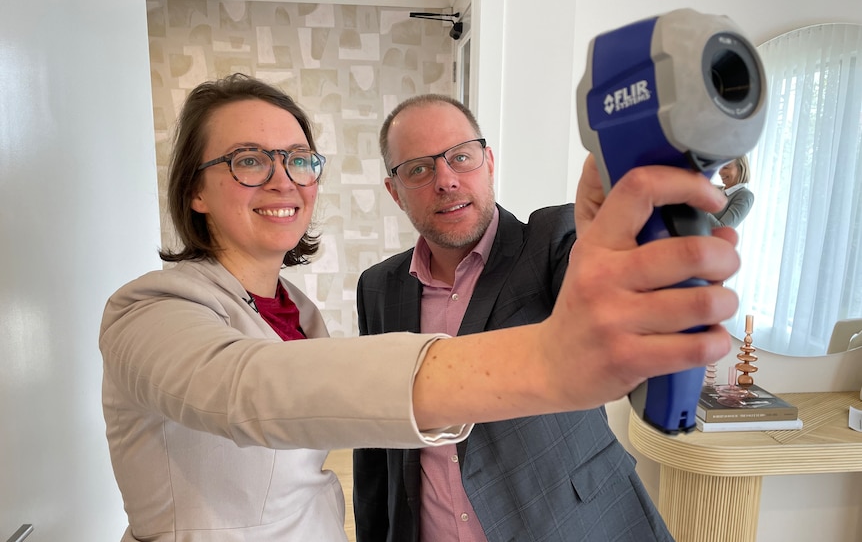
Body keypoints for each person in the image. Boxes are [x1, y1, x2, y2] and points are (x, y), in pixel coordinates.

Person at [99, 73, 740, 541]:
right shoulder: (150, 311)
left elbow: (588, 275)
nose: (282, 178)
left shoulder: (550, 238)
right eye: (248, 160)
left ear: (488, 162)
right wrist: (547, 361)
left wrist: (646, 262)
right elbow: (254, 391)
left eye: (298, 160)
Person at [352, 94, 674, 542]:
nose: (445, 180)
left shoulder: (549, 241)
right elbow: (374, 438)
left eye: (460, 157)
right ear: (395, 191)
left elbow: (598, 282)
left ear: (487, 162)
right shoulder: (378, 287)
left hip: (573, 525)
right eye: (419, 169)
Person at [708, 154, 754, 228]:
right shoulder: (714, 188)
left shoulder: (745, 196)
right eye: (720, 167)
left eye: (725, 167)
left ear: (740, 169)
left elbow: (722, 230)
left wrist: (699, 207)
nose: (719, 172)